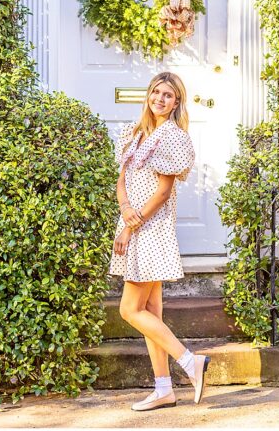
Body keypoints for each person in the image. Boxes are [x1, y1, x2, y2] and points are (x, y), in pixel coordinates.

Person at [108, 71, 208, 410]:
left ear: (176, 102)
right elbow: (122, 180)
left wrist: (131, 226)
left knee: (129, 309)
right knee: (151, 310)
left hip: (150, 230)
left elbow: (163, 192)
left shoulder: (172, 137)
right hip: (133, 222)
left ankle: (190, 361)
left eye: (168, 95)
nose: (160, 99)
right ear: (148, 96)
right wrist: (125, 210)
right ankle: (164, 388)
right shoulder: (134, 134)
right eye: (156, 92)